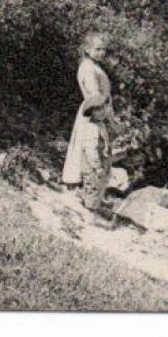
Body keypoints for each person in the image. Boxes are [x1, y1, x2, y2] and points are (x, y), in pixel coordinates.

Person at [61, 32, 113, 215]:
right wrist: (104, 114)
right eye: (97, 49)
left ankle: (94, 195)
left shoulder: (93, 66)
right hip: (93, 112)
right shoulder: (87, 68)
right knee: (90, 151)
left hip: (98, 110)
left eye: (103, 49)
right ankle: (83, 193)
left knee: (96, 151)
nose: (101, 53)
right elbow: (94, 95)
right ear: (87, 49)